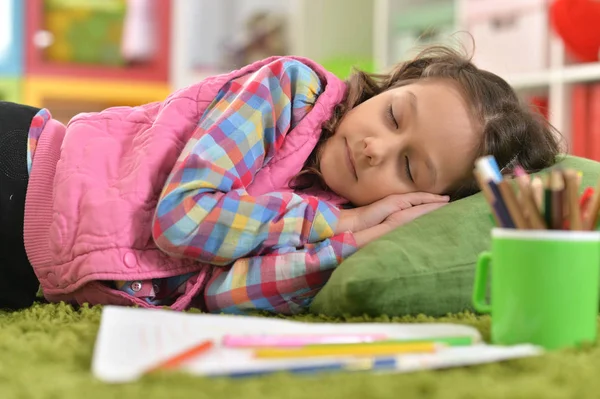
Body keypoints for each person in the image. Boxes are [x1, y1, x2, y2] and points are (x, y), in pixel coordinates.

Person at [0, 45, 560, 314]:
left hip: (27, 274)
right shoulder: (290, 92)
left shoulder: (328, 213)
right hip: (21, 170)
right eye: (393, 115)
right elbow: (184, 220)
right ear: (392, 86)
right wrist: (338, 221)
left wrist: (353, 243)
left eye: (407, 167)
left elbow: (223, 295)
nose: (375, 148)